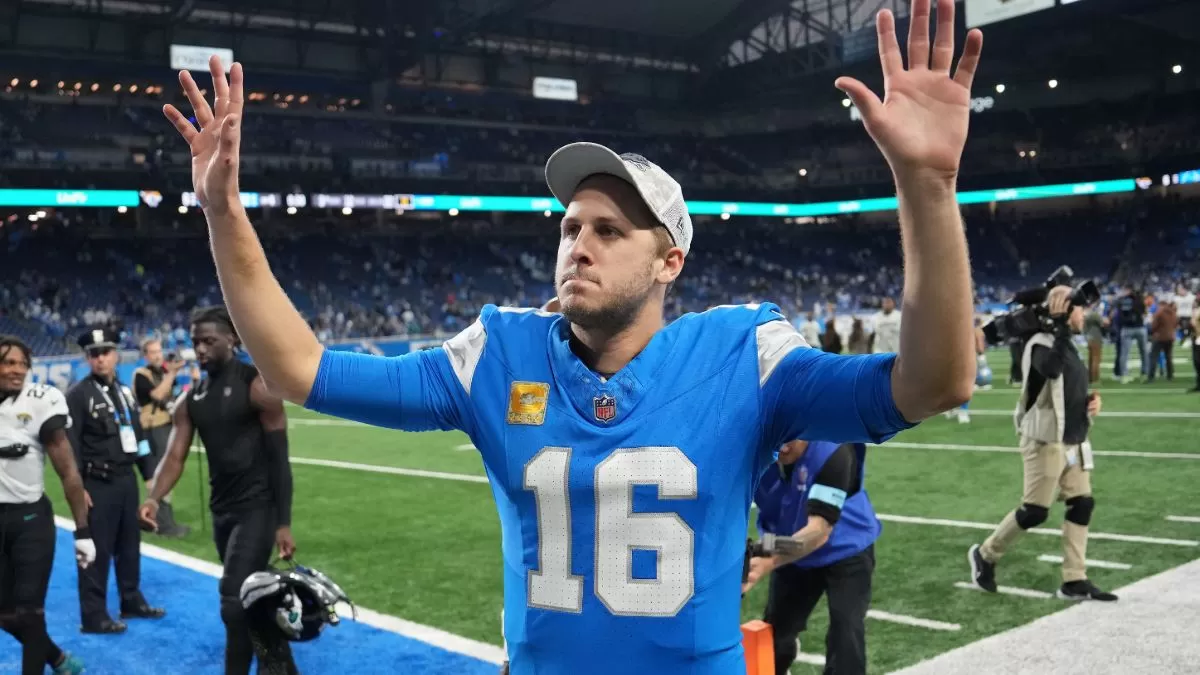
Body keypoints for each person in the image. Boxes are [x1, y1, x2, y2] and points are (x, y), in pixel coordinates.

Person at [165, 1, 983, 669]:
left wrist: (928, 184)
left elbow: (933, 380)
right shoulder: (496, 354)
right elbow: (302, 367)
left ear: (670, 261)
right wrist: (224, 212)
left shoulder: (745, 354)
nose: (578, 243)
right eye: (569, 226)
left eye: (609, 229)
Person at [139, 306, 298, 675]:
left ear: (234, 339)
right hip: (221, 512)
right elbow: (174, 457)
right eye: (196, 342)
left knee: (232, 599)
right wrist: (153, 497)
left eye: (209, 341)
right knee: (254, 598)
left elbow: (280, 460)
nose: (201, 349)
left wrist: (283, 522)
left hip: (258, 508)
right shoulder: (191, 399)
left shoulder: (258, 386)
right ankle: (280, 665)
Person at [969, 286, 1117, 601]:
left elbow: (1069, 386)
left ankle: (1074, 579)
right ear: (1060, 311)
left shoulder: (1065, 343)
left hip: (1073, 440)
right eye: (1076, 308)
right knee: (1035, 511)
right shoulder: (1038, 344)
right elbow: (1050, 370)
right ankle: (986, 554)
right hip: (1044, 440)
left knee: (1083, 503)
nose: (1082, 314)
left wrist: (1091, 402)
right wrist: (1061, 325)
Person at [743, 440, 879, 675]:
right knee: (778, 632)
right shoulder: (751, 452)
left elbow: (818, 531)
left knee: (846, 628)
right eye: (776, 437)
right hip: (787, 541)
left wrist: (769, 556)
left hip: (844, 546)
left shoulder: (834, 450)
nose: (782, 446)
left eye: (790, 439)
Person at [65, 328, 166, 634]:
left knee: (129, 545)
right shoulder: (78, 395)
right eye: (94, 354)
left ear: (115, 355)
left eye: (105, 352)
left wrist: (149, 475)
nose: (100, 359)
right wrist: (78, 488)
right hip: (97, 484)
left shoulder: (125, 393)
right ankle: (93, 614)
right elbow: (70, 447)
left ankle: (131, 599)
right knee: (95, 551)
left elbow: (139, 438)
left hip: (126, 482)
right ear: (87, 358)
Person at [0, 336, 91, 675]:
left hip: (29, 519)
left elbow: (68, 470)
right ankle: (56, 658)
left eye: (23, 364)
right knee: (5, 614)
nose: (17, 370)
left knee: (30, 612)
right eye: (9, 362)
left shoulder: (41, 400)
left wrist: (82, 531)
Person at [132, 337, 190, 537]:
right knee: (157, 475)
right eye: (153, 352)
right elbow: (157, 395)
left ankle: (158, 521)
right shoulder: (141, 375)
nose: (158, 355)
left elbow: (171, 396)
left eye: (159, 351)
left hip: (165, 426)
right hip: (151, 429)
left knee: (162, 475)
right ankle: (164, 526)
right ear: (145, 355)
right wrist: (172, 373)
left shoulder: (162, 373)